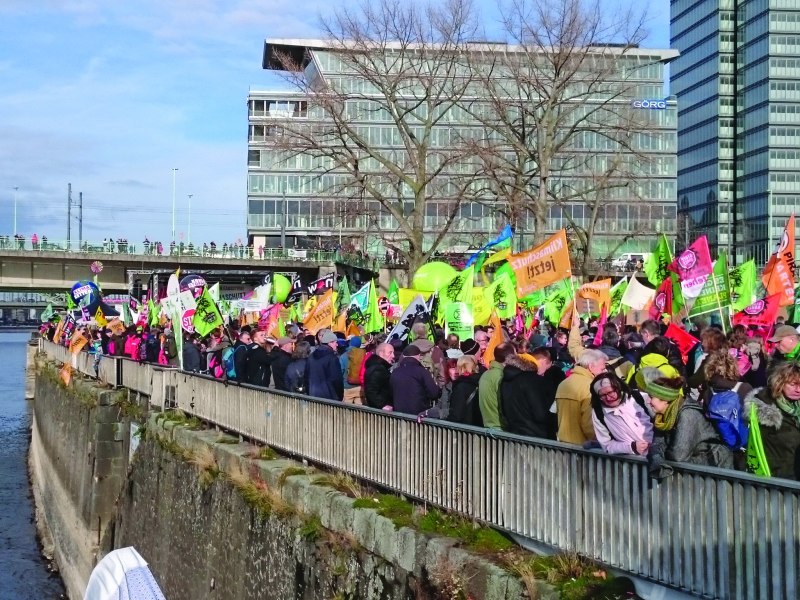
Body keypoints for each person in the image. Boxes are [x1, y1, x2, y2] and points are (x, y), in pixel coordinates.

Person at [638, 367, 733, 479]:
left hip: (715, 467)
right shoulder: (662, 417)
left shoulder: (688, 414)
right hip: (697, 470)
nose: (649, 402)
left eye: (651, 397)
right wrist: (658, 456)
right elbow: (657, 444)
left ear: (665, 399)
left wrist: (661, 456)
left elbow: (678, 455)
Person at [744, 361, 800, 480]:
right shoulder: (766, 410)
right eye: (793, 384)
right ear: (780, 382)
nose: (798, 390)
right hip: (779, 480)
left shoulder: (796, 409)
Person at [589, 373, 653, 456]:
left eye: (610, 392)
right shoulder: (599, 413)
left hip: (661, 455)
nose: (608, 398)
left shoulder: (639, 397)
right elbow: (606, 445)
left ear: (618, 388)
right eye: (603, 395)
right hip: (635, 460)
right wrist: (631, 447)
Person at [555, 348, 608, 445]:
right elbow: (589, 423)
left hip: (562, 442)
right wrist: (601, 441)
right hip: (583, 446)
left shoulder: (563, 383)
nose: (605, 372)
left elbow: (555, 412)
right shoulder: (590, 386)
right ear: (591, 366)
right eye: (602, 369)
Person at [498, 353, 557, 439]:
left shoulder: (505, 380)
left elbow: (503, 410)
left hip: (513, 434)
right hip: (535, 436)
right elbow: (540, 414)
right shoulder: (530, 380)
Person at [390, 345, 440, 415]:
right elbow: (433, 393)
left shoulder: (395, 372)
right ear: (418, 356)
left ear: (403, 356)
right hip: (418, 415)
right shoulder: (422, 372)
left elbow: (391, 392)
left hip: (398, 414)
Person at [478, 342, 516, 430]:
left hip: (488, 427)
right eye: (515, 355)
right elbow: (503, 404)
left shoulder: (486, 374)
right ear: (509, 358)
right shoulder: (501, 376)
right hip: (501, 428)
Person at [307, 330, 344, 401]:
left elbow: (307, 377)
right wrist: (339, 396)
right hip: (329, 398)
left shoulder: (311, 356)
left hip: (313, 396)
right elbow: (336, 379)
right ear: (330, 343)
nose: (337, 345)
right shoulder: (332, 358)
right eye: (335, 342)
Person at [447, 355, 483, 426]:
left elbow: (456, 414)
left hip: (464, 427)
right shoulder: (480, 382)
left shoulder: (461, 387)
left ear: (461, 367)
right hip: (478, 426)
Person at [363, 342, 395, 409]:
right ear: (381, 354)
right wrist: (382, 405)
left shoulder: (381, 367)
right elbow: (371, 390)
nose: (393, 356)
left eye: (393, 353)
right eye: (390, 353)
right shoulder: (377, 369)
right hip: (380, 410)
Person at [340, 336, 366, 404]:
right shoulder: (363, 355)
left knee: (346, 409)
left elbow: (340, 372)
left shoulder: (343, 356)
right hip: (360, 387)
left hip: (347, 387)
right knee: (359, 409)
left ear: (350, 343)